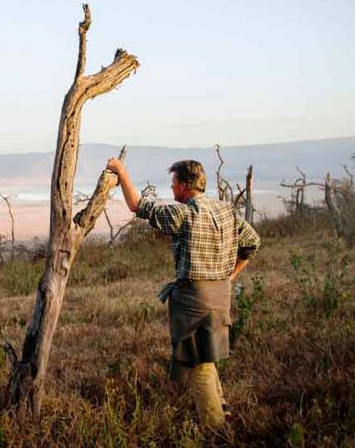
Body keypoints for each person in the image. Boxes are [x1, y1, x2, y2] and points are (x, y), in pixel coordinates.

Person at [105, 157, 260, 431]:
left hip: (193, 300)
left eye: (174, 183)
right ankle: (224, 412)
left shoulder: (184, 214)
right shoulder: (227, 211)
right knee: (207, 356)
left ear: (186, 187)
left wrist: (121, 171)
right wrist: (232, 275)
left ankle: (215, 430)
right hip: (221, 296)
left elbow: (137, 205)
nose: (172, 188)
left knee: (196, 364)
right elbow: (252, 243)